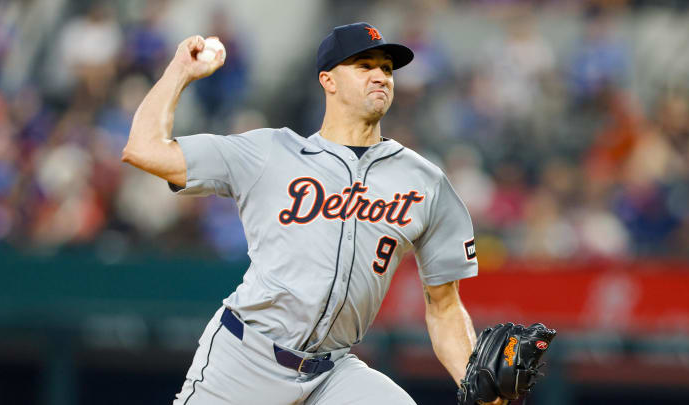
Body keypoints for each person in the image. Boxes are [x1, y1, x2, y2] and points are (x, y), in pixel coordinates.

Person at [122, 22, 502, 405]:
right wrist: (179, 72)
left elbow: (444, 305)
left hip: (332, 373)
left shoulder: (425, 181)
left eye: (386, 68)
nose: (380, 77)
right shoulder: (269, 152)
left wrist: (480, 387)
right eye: (364, 66)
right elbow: (144, 148)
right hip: (246, 359)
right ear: (328, 80)